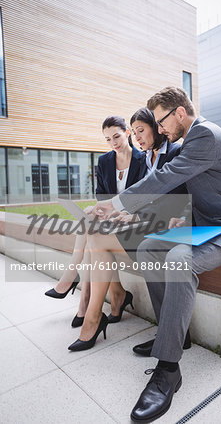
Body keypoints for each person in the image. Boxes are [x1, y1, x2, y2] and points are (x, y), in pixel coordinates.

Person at [92, 87, 221, 423]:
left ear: (180, 113)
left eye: (161, 121)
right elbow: (177, 190)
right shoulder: (190, 141)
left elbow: (167, 176)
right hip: (205, 226)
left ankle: (168, 369)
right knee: (148, 247)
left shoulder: (205, 135)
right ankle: (176, 334)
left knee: (178, 260)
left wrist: (117, 203)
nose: (159, 130)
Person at [66, 107, 189, 351]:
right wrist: (127, 214)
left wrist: (134, 216)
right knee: (96, 237)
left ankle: (95, 315)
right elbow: (146, 199)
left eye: (141, 131)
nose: (138, 137)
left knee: (98, 241)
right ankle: (96, 313)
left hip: (169, 231)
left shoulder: (175, 153)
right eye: (135, 132)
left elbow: (177, 200)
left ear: (156, 127)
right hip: (149, 227)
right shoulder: (148, 158)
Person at [45, 115, 146, 327]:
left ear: (128, 133)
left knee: (91, 234)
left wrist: (117, 210)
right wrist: (100, 210)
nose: (113, 143)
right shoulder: (104, 161)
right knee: (90, 218)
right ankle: (101, 298)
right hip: (110, 218)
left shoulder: (143, 159)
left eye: (117, 136)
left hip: (131, 221)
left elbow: (143, 198)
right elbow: (101, 196)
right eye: (108, 139)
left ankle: (81, 295)